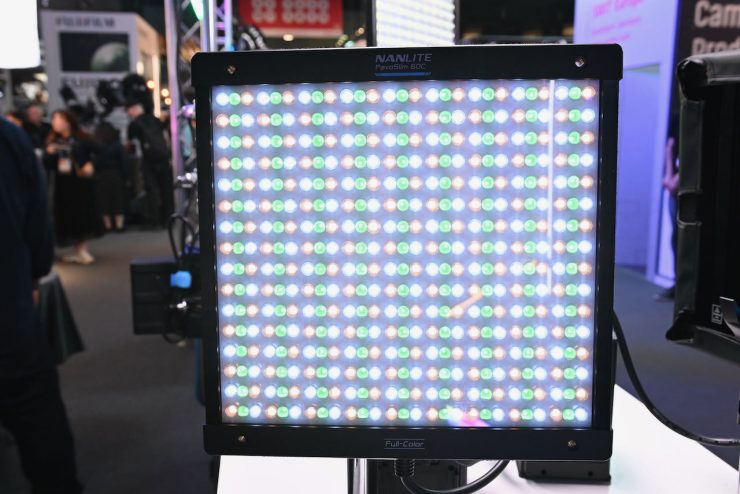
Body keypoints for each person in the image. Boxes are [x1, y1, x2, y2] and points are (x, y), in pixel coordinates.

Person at [0, 116, 83, 493]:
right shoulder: (10, 139)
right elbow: (37, 224)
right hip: (10, 314)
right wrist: (32, 274)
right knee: (41, 432)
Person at [43, 110, 101, 264]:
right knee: (67, 215)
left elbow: (101, 152)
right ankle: (77, 249)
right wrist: (49, 154)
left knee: (83, 213)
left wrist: (91, 164)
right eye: (54, 120)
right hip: (62, 184)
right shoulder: (52, 141)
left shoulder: (82, 138)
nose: (55, 123)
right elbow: (47, 164)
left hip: (80, 182)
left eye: (59, 119)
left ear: (68, 121)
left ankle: (82, 249)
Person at [127, 100, 173, 228]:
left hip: (148, 160)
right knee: (166, 189)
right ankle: (168, 219)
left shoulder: (134, 125)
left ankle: (154, 219)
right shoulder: (155, 120)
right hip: (163, 158)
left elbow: (131, 145)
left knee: (151, 190)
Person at [91, 121, 128, 232]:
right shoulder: (117, 145)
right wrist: (125, 176)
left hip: (102, 174)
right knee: (118, 199)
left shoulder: (98, 146)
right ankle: (119, 224)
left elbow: (95, 162)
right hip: (116, 174)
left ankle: (107, 225)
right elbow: (123, 162)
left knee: (104, 200)